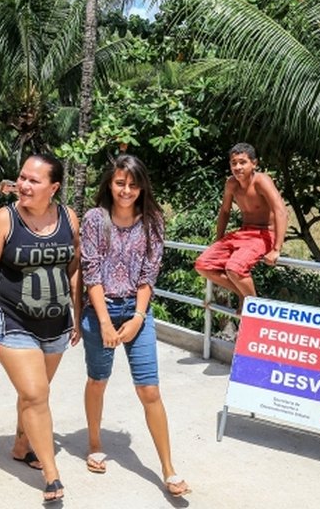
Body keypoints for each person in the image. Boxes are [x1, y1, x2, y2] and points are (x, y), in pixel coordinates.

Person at [79, 154, 191, 497]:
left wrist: (138, 317)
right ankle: (95, 442)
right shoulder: (95, 219)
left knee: (149, 390)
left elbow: (149, 274)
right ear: (109, 184)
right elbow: (91, 271)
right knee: (98, 380)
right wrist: (105, 323)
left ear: (142, 186)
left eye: (133, 184)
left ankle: (168, 469)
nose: (126, 190)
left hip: (137, 310)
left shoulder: (153, 221)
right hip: (100, 310)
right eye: (119, 183)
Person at [0, 154, 81, 503]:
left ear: (54, 187)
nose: (24, 185)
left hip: (56, 323)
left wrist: (76, 314)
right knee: (36, 394)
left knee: (34, 392)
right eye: (22, 178)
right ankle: (51, 475)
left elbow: (74, 267)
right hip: (12, 319)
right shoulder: (4, 220)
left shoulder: (68, 218)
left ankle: (22, 445)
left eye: (34, 181)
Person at [194, 142, 287, 312]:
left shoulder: (262, 181)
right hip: (244, 234)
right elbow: (224, 211)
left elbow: (280, 210)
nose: (237, 167)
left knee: (234, 268)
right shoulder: (231, 183)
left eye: (242, 162)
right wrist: (219, 240)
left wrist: (276, 249)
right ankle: (244, 294)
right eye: (233, 163)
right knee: (203, 265)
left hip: (265, 233)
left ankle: (253, 306)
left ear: (254, 163)